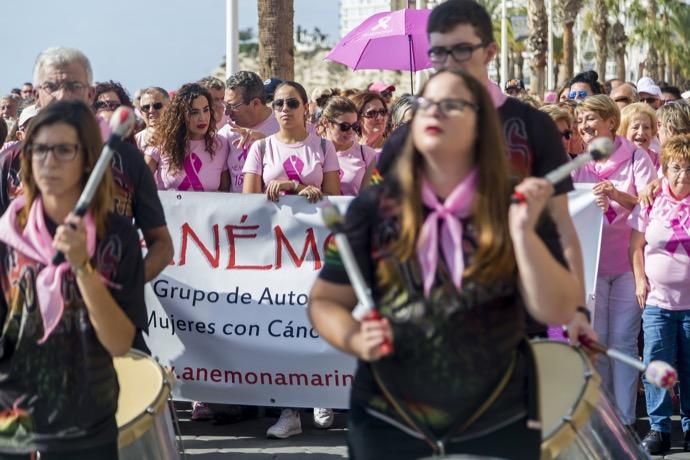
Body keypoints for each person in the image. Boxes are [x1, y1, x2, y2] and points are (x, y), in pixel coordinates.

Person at [309, 69, 580, 459]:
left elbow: (558, 307)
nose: (435, 112)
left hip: (497, 417)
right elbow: (325, 301)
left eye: (453, 105)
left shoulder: (517, 204)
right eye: (427, 104)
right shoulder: (374, 207)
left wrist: (523, 233)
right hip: (389, 418)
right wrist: (353, 337)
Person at [378, 0, 589, 341]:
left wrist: (578, 309)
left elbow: (562, 225)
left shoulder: (533, 126)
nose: (448, 63)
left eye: (461, 50)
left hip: (517, 322)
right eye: (438, 53)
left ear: (490, 52)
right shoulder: (406, 139)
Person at [0, 100, 146, 459]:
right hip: (12, 423)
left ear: (87, 160)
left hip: (87, 423)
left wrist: (83, 267)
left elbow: (118, 342)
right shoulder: (5, 236)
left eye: (64, 150)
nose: (49, 160)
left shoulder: (118, 237)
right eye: (39, 149)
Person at [0, 47, 172, 288]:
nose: (62, 95)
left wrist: (126, 287)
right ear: (37, 95)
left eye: (73, 86)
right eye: (51, 86)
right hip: (27, 309)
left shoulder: (127, 159)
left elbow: (162, 245)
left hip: (108, 314)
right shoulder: (11, 160)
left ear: (90, 94)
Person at [572, 94, 656, 428]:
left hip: (626, 268)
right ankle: (603, 419)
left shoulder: (636, 158)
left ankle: (625, 421)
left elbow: (649, 204)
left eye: (590, 119)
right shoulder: (580, 164)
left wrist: (615, 194)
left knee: (622, 342)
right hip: (593, 270)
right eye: (580, 121)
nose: (584, 127)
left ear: (610, 121)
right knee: (600, 344)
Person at [629, 134, 690, 455]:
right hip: (657, 303)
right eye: (676, 167)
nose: (683, 175)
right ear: (665, 168)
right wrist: (640, 280)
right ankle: (659, 429)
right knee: (658, 365)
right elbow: (635, 246)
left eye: (689, 168)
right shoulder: (650, 200)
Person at [243, 80, 340, 205]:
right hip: (272, 223)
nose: (285, 108)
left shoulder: (325, 146)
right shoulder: (261, 147)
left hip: (311, 223)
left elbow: (334, 199)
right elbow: (248, 201)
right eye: (278, 104)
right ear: (273, 109)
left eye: (292, 103)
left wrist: (294, 186)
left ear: (305, 108)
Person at [145, 83, 230, 192]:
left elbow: (226, 193)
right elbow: (139, 184)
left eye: (206, 110)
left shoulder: (220, 144)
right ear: (180, 115)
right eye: (194, 112)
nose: (202, 118)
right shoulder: (161, 141)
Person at [221, 71, 280, 192]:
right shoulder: (226, 133)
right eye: (225, 105)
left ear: (256, 103)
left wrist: (266, 143)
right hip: (239, 208)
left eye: (233, 106)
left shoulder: (283, 126)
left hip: (276, 208)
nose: (227, 112)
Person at [318, 95, 376, 196]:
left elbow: (373, 194)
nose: (350, 131)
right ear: (325, 122)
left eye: (354, 126)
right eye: (344, 126)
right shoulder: (312, 151)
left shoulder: (367, 154)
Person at [619, 102, 659, 168]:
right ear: (624, 131)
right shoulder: (614, 160)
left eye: (646, 127)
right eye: (635, 127)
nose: (641, 133)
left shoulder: (660, 160)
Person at [134, 87, 170, 151]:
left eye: (157, 106)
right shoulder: (135, 141)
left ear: (169, 108)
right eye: (146, 107)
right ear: (141, 112)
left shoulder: (181, 136)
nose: (151, 110)